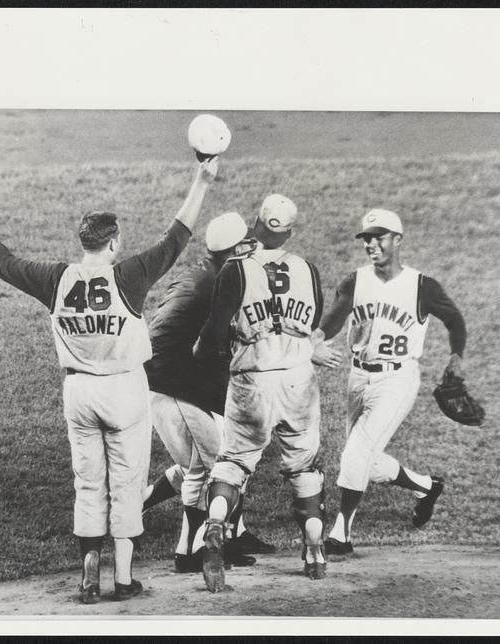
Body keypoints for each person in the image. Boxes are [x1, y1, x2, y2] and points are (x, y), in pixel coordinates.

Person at [0, 156, 219, 604]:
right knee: (127, 481)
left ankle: (88, 571)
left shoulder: (56, 279)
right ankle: (124, 577)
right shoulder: (128, 275)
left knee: (89, 482)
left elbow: (2, 262)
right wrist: (203, 178)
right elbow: (178, 235)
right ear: (112, 243)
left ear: (83, 242)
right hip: (124, 390)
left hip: (78, 393)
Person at [194, 194, 329, 592]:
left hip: (252, 379)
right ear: (289, 231)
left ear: (255, 223)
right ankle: (315, 551)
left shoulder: (236, 270)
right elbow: (315, 318)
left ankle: (216, 524)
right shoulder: (308, 269)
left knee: (234, 462)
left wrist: (202, 354)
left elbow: (216, 331)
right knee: (304, 468)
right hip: (298, 379)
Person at [316, 208, 467, 557]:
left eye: (379, 237)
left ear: (397, 239)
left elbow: (455, 319)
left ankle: (341, 532)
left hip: (398, 379)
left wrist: (456, 358)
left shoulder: (422, 286)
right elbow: (336, 317)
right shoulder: (354, 281)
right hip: (358, 376)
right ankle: (426, 487)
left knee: (356, 452)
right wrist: (319, 336)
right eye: (366, 238)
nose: (371, 244)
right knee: (364, 459)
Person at [141, 212, 276, 574]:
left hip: (166, 382)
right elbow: (208, 348)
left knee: (202, 465)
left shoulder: (199, 275)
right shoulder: (219, 286)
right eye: (244, 245)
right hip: (173, 386)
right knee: (216, 468)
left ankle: (192, 541)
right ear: (232, 251)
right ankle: (191, 550)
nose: (251, 249)